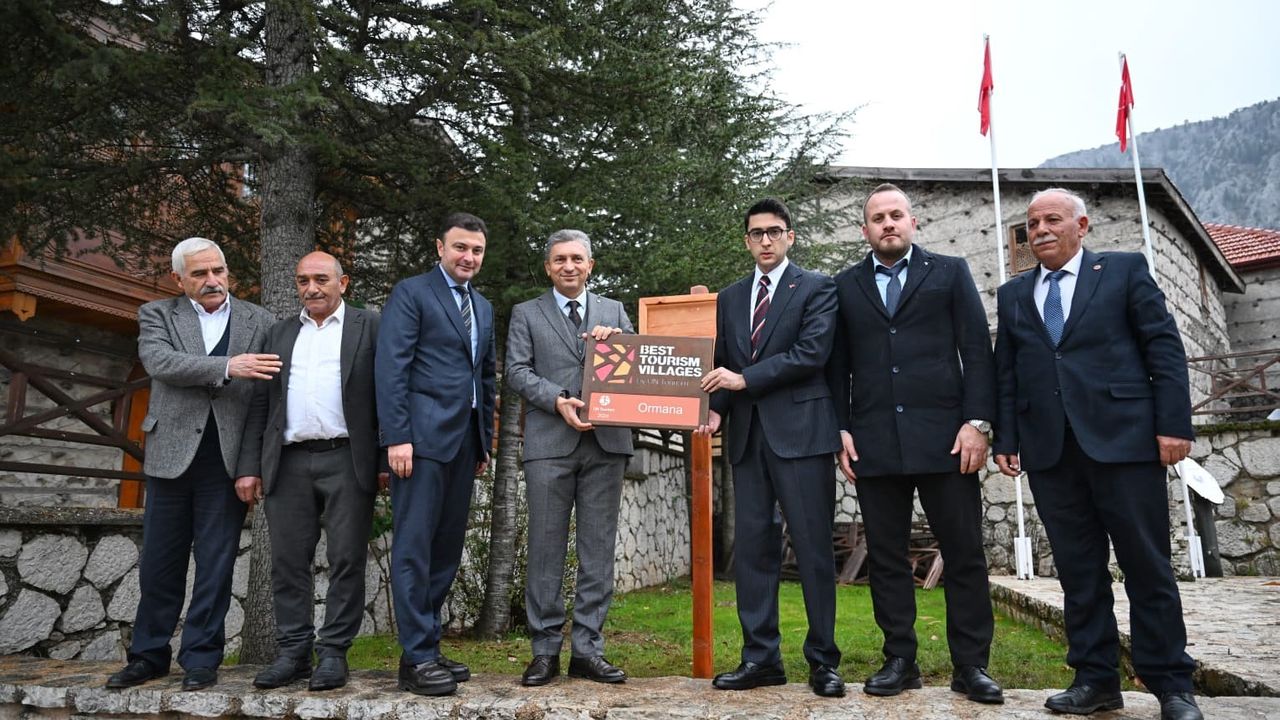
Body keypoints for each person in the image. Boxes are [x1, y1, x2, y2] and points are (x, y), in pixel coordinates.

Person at [994, 188, 1201, 720]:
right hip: (1051, 453)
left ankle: (1173, 685)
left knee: (1147, 567)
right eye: (1032, 223)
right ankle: (1096, 680)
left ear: (1082, 226)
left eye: (1052, 220)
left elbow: (1163, 348)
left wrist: (1173, 426)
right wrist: (1006, 439)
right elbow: (1007, 373)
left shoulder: (1124, 271)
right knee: (1078, 572)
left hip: (1126, 443)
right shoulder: (1013, 294)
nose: (1040, 230)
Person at [826, 183, 1003, 704]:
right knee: (885, 557)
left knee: (964, 553)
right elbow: (837, 366)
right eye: (878, 217)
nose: (888, 223)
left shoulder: (950, 272)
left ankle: (971, 666)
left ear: (913, 222)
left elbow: (977, 350)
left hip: (948, 441)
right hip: (874, 443)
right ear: (865, 230)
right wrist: (840, 428)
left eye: (896, 215)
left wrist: (978, 423)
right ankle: (900, 660)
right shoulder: (845, 286)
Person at [107, 237, 280, 691]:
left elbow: (264, 399)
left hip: (226, 461)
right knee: (159, 564)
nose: (212, 280)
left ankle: (202, 658)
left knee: (216, 565)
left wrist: (253, 464)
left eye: (218, 271)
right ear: (178, 279)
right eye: (200, 273)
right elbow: (161, 363)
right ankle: (148, 656)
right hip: (170, 457)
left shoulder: (260, 320)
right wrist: (228, 366)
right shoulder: (157, 314)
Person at [695, 198, 845, 698]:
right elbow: (723, 361)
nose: (765, 240)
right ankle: (760, 659)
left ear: (790, 237)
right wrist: (717, 408)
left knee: (813, 549)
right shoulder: (731, 297)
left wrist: (744, 380)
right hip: (747, 438)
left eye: (774, 231)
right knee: (754, 551)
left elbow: (811, 353)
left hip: (802, 435)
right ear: (746, 241)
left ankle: (823, 662)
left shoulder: (818, 287)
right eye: (756, 233)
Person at [234, 252, 383, 691]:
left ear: (343, 282)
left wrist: (383, 459)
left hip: (348, 458)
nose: (311, 288)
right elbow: (260, 404)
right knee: (287, 562)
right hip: (288, 461)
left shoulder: (370, 327)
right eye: (303, 280)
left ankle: (334, 652)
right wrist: (249, 467)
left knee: (347, 558)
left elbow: (388, 394)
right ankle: (293, 653)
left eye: (321, 279)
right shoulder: (278, 332)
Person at [505, 229, 634, 687]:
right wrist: (557, 398)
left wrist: (619, 341)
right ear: (548, 267)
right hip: (549, 445)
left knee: (597, 552)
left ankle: (588, 651)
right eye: (560, 259)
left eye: (577, 258)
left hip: (606, 444)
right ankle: (544, 652)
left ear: (590, 265)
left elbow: (637, 363)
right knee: (545, 551)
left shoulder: (614, 311)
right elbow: (516, 371)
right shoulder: (526, 313)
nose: (569, 266)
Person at [376, 213, 497, 697]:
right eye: (460, 247)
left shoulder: (482, 306)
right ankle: (419, 657)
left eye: (477, 250)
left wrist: (483, 441)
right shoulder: (412, 293)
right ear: (440, 247)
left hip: (464, 444)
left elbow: (485, 378)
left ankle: (423, 648)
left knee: (445, 551)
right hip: (420, 443)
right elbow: (392, 367)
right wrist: (396, 436)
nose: (469, 257)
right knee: (414, 550)